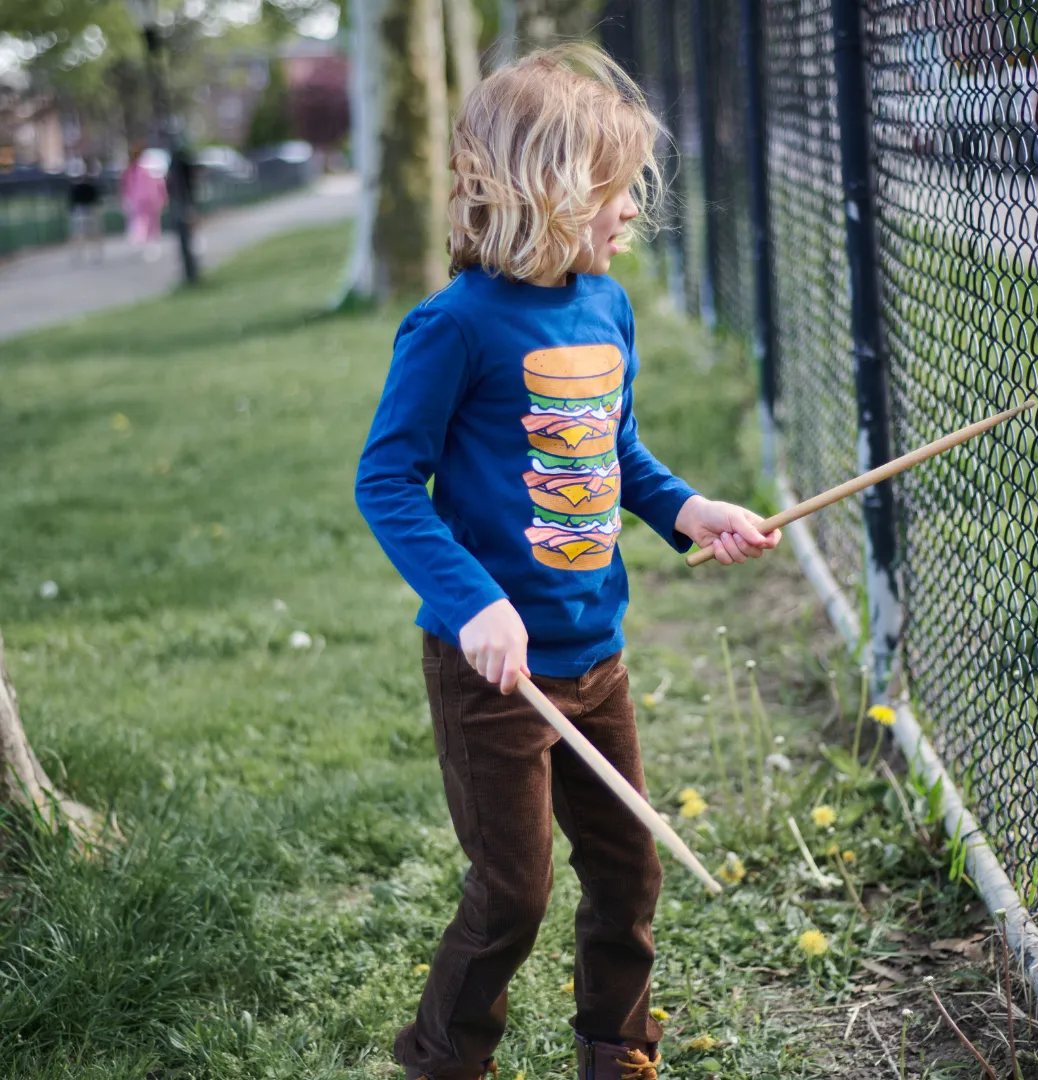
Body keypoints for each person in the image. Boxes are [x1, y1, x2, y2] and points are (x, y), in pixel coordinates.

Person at [355, 43, 782, 1080]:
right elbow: (384, 482)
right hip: (497, 675)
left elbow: (614, 452)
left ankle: (615, 1050)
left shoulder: (607, 307)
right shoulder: (453, 328)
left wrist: (690, 510)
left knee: (631, 867)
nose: (635, 204)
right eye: (615, 186)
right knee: (515, 892)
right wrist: (472, 603)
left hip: (596, 655)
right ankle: (442, 1058)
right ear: (546, 191)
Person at [121, 145, 168, 261]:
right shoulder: (134, 171)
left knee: (151, 223)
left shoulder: (143, 169)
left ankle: (150, 244)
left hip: (149, 200)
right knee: (147, 222)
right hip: (144, 201)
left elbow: (159, 184)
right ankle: (146, 243)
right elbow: (128, 187)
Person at [68, 157, 104, 262]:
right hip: (80, 211)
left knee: (92, 235)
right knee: (79, 236)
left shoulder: (90, 184)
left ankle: (95, 254)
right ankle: (78, 255)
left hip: (89, 210)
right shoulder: (76, 186)